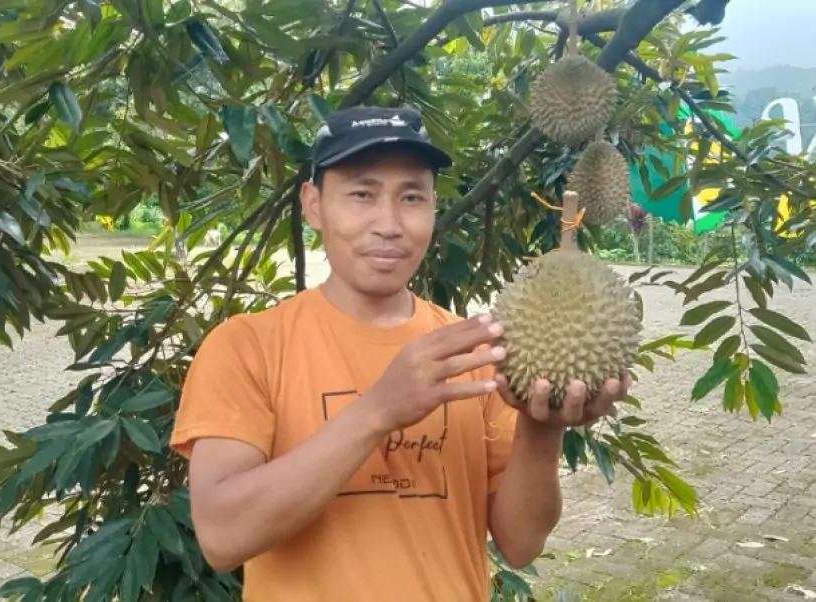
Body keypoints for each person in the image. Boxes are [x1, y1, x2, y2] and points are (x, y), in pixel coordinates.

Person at [170, 106, 628, 601]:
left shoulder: (471, 353)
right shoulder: (245, 347)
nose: (388, 223)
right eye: (361, 194)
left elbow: (520, 543)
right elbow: (222, 536)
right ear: (314, 204)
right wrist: (378, 411)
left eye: (412, 197)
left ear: (432, 207)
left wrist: (543, 425)